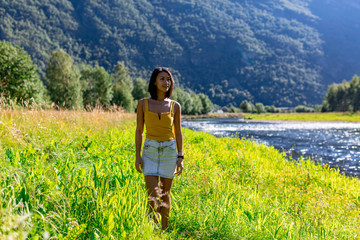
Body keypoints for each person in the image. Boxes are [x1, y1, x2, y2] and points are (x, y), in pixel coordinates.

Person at [135, 67, 184, 231]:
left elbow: (178, 133)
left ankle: (163, 231)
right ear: (154, 82)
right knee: (153, 196)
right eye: (162, 79)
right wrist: (137, 156)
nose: (166, 82)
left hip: (169, 151)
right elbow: (139, 131)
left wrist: (180, 157)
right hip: (149, 151)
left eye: (168, 80)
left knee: (165, 194)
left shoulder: (175, 106)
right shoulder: (143, 104)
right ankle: (151, 229)